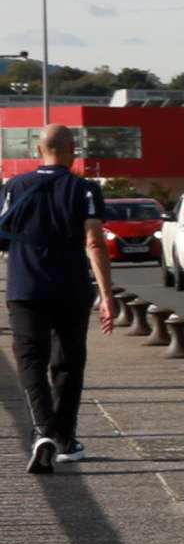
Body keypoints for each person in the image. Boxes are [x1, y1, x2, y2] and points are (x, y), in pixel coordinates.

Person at [4, 124, 117, 474]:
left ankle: (42, 431)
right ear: (73, 151)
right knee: (68, 361)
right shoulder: (85, 189)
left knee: (30, 360)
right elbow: (95, 242)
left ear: (38, 151)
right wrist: (107, 295)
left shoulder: (14, 187)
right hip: (71, 289)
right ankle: (65, 440)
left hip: (24, 288)